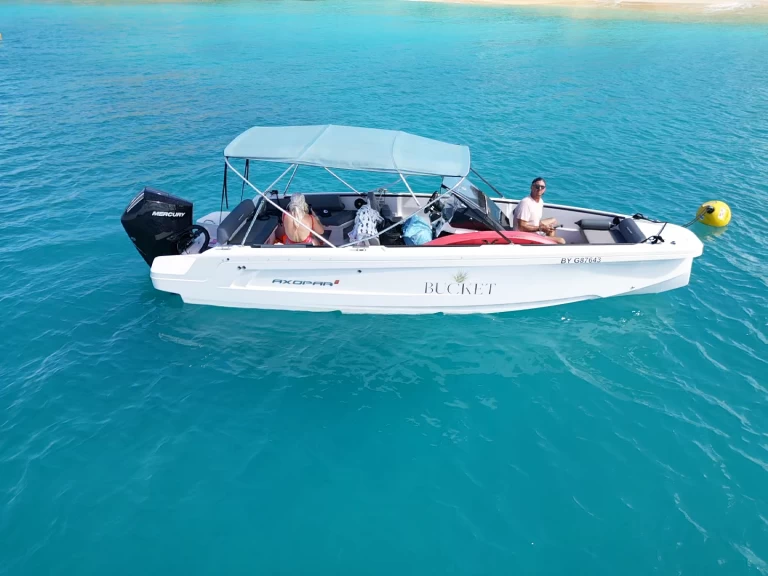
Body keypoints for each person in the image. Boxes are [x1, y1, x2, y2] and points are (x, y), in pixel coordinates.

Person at [512, 177, 565, 244]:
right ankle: (549, 243)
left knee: (553, 221)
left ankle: (548, 244)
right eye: (537, 186)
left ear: (544, 189)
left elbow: (533, 220)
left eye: (542, 187)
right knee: (561, 241)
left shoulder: (540, 201)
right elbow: (521, 228)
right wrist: (541, 228)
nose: (539, 189)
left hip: (532, 230)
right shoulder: (526, 203)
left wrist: (546, 227)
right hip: (524, 235)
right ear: (531, 187)